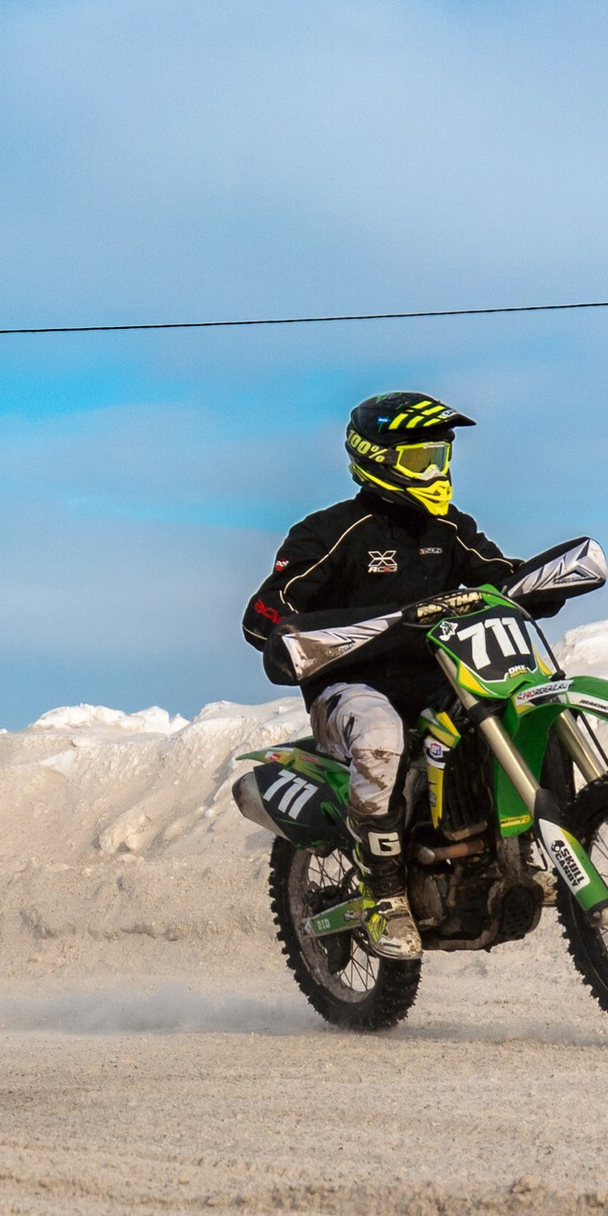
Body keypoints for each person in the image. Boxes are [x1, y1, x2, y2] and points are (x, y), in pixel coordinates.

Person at [239, 391, 523, 957]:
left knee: (511, 708)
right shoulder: (331, 533)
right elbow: (263, 615)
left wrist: (540, 583)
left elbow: (499, 574)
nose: (436, 471)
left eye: (441, 458)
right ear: (379, 459)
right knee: (380, 736)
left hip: (442, 676)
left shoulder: (452, 529)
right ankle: (383, 893)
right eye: (422, 460)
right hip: (351, 688)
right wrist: (334, 629)